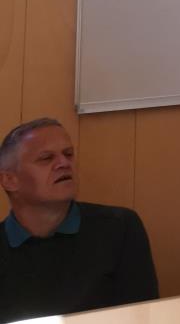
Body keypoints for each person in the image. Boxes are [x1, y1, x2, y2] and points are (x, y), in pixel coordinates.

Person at [0, 118, 158, 323]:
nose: (64, 163)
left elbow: (141, 317)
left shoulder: (119, 227)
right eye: (46, 158)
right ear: (9, 180)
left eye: (68, 154)